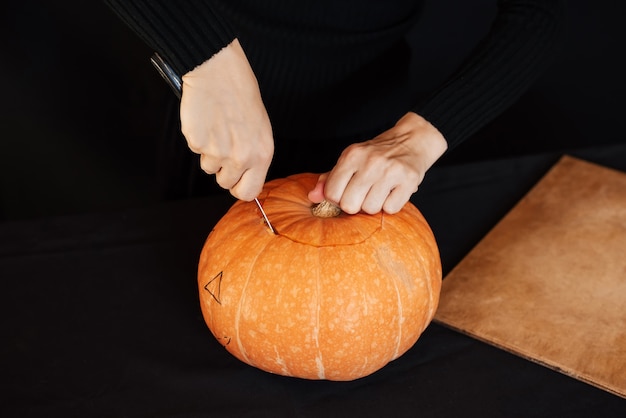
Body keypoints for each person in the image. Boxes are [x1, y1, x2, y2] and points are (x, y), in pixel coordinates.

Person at [104, 0, 564, 214]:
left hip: (372, 143)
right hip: (212, 124)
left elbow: (539, 14)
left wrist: (417, 137)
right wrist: (209, 60)